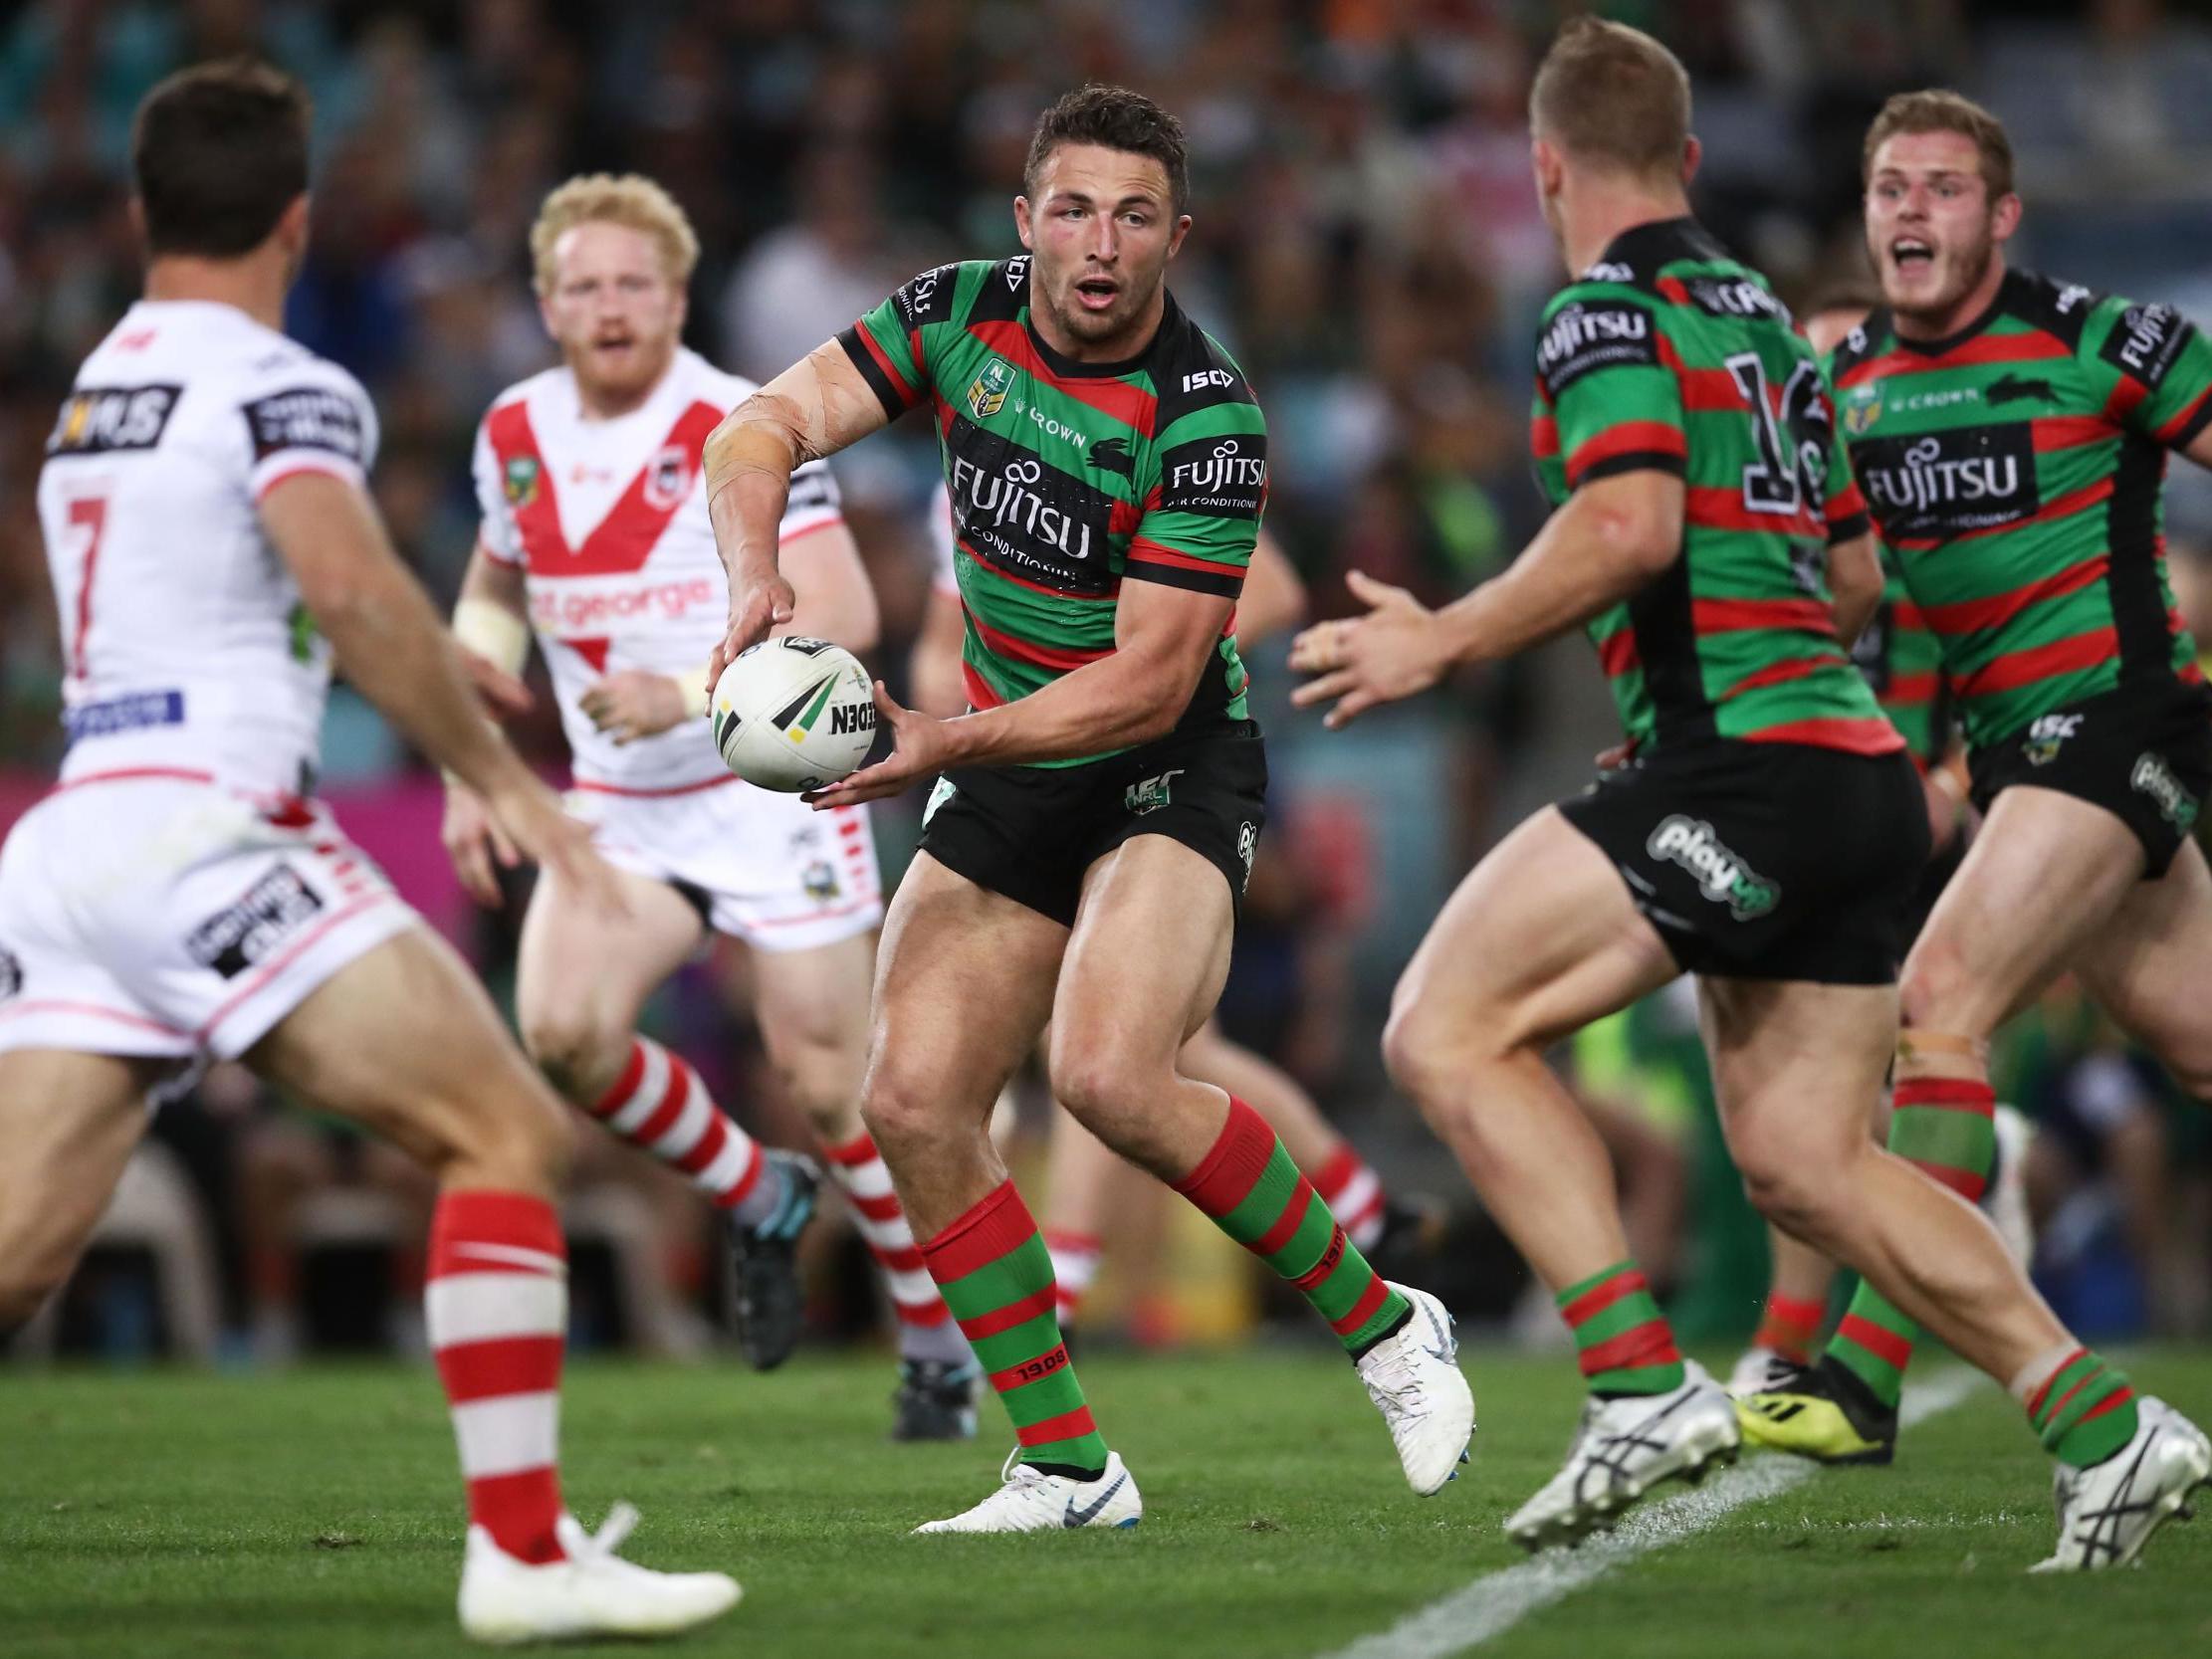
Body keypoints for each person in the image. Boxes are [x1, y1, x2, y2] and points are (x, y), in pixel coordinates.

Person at [1291, 19, 2206, 1569]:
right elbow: (1847, 565)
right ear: (1692, 162)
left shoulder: (1604, 311)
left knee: (1439, 1028)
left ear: (1545, 164)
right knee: (1807, 1161)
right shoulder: (1777, 334)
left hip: (1764, 758)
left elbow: (1632, 522)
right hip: (1850, 767)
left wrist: (1444, 633)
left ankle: (1638, 1382)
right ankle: (2103, 1427)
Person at [0, 63, 737, 1639]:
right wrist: (505, 777)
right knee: (502, 1133)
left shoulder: (89, 393)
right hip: (213, 834)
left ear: (139, 215)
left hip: (72, 846)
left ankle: (530, 1552)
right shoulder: (289, 384)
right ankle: (524, 1557)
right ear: (298, 216)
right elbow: (347, 586)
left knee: (10, 1258)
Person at [702, 83, 1473, 1534]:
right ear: (1024, 221)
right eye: (1071, 208)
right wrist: (754, 570)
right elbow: (761, 423)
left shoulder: (1210, 416)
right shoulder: (954, 312)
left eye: (1132, 215)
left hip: (1164, 770)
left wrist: (936, 735)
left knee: (1110, 1073)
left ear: (1177, 236)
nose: (1097, 243)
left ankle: (1384, 1325)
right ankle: (1066, 1464)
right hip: (1008, 770)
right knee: (911, 1098)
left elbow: (1146, 681)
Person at [442, 173, 976, 1437]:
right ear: (545, 302)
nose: (608, 305)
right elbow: (492, 591)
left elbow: (846, 612)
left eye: (633, 282)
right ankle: (757, 1190)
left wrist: (687, 691)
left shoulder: (740, 422)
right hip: (620, 808)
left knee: (832, 1082)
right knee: (564, 1032)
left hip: (766, 795)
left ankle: (932, 1340)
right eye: (583, 285)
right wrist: (473, 756)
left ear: (676, 295)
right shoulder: (512, 431)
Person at [1738, 89, 2212, 1485]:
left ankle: (1861, 1380)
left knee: (1938, 1004)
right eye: (1889, 187)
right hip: (2020, 755)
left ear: (2000, 216)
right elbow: (1823, 587)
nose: (1908, 211)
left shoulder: (2092, 339)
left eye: (1942, 188)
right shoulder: (1850, 388)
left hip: (2121, 718)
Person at [910, 482, 1442, 1331]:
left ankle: (1070, 1287)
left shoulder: (1134, 441)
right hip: (1036, 782)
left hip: (1169, 773)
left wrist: (1132, 670)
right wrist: (993, 695)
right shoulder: (968, 472)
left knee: (1101, 1040)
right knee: (1165, 1052)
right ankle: (1370, 1212)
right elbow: (940, 650)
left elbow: (1271, 589)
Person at [1726, 283, 2033, 1403]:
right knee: (1802, 1081)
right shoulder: (1765, 517)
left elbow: (2008, 662)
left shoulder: (1934, 514)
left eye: (1838, 372)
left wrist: (1952, 778)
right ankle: (1958, 1175)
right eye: (1807, 375)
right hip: (1804, 809)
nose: (1824, 398)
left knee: (1849, 1071)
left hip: (1917, 819)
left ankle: (1801, 1342)